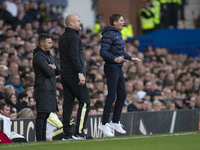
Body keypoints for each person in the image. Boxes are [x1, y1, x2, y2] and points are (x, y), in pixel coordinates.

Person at [98, 14, 142, 137]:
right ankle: (103, 123)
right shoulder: (108, 34)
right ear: (115, 22)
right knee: (112, 95)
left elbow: (120, 51)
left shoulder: (117, 33)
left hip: (118, 67)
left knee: (122, 94)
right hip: (111, 67)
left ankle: (115, 121)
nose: (124, 22)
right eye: (121, 20)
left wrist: (131, 58)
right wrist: (114, 59)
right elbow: (103, 52)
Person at [59, 14, 91, 140]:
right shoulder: (74, 37)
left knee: (68, 103)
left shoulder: (62, 37)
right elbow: (74, 56)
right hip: (74, 75)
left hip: (65, 75)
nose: (80, 22)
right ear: (71, 23)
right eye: (78, 21)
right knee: (85, 102)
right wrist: (80, 73)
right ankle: (79, 132)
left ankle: (67, 133)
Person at [33, 33, 60, 141]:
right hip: (43, 89)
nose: (51, 44)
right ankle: (40, 139)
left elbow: (58, 69)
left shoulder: (49, 55)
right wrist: (53, 68)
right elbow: (49, 72)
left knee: (46, 114)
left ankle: (42, 139)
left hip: (50, 89)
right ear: (41, 43)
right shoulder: (38, 57)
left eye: (51, 42)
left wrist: (53, 67)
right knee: (42, 115)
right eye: (49, 42)